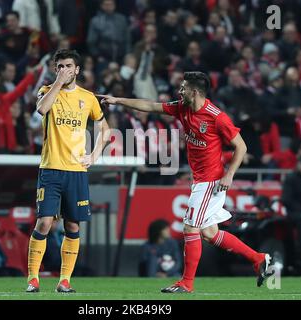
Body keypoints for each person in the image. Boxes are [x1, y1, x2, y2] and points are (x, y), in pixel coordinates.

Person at [98, 71, 270, 293]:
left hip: (211, 181)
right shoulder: (182, 107)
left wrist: (229, 175)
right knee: (209, 233)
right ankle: (258, 259)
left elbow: (241, 146)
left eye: (183, 88)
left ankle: (186, 283)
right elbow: (151, 106)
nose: (179, 91)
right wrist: (118, 101)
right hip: (200, 180)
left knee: (190, 226)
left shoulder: (216, 116)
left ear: (195, 92)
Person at [26, 49, 110, 293]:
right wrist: (57, 84)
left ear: (77, 70)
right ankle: (33, 278)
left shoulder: (88, 98)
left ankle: (64, 280)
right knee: (44, 223)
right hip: (51, 169)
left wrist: (93, 156)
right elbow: (41, 110)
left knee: (72, 226)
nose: (63, 70)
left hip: (76, 171)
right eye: (59, 66)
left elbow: (105, 130)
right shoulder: (46, 91)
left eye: (68, 66)